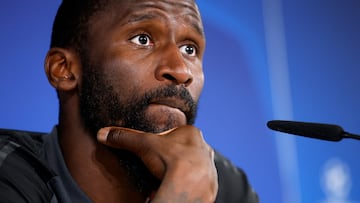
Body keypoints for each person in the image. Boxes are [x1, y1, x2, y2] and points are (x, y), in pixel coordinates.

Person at [0, 0, 258, 202]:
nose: (181, 71)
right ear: (64, 69)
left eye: (189, 49)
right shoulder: (9, 172)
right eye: (142, 39)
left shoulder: (223, 184)